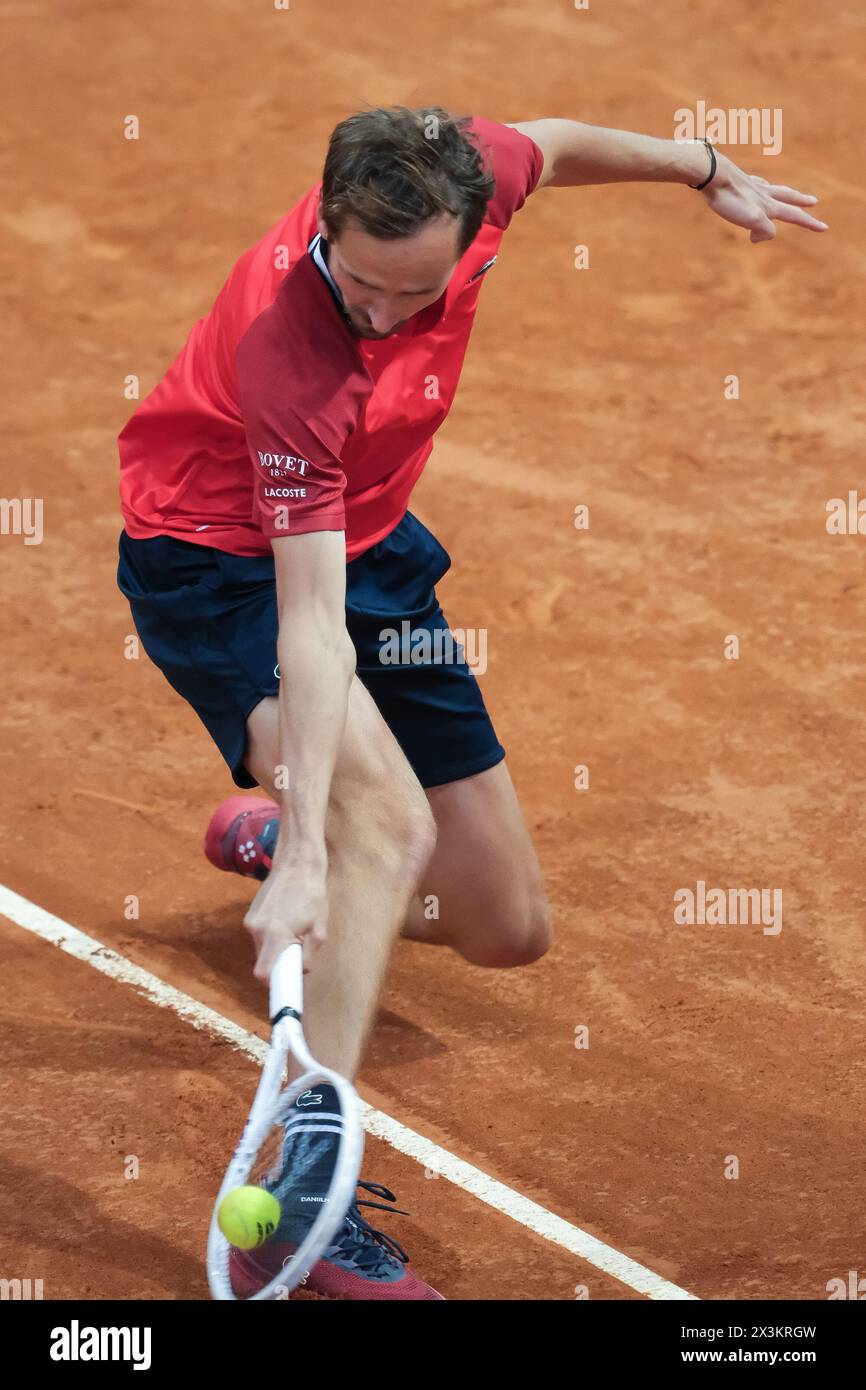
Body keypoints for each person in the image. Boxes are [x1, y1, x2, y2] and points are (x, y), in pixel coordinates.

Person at [116, 107, 825, 1299]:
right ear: (326, 222)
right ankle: (297, 1204)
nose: (385, 318)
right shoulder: (293, 351)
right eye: (361, 287)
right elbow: (307, 623)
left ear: (467, 228)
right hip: (225, 561)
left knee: (505, 926)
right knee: (382, 820)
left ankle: (317, 861)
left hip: (374, 538)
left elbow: (555, 141)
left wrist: (705, 169)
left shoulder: (476, 174)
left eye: (415, 294)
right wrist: (311, 832)